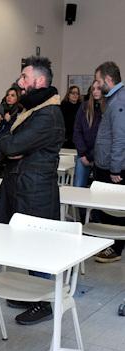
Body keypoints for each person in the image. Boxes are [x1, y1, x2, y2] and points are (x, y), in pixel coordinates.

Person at [0, 55, 64, 325]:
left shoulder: (48, 115)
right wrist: (12, 146)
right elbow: (6, 142)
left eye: (25, 77)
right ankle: (32, 294)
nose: (20, 82)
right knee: (27, 247)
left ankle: (43, 302)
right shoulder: (31, 110)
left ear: (40, 80)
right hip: (22, 185)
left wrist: (13, 147)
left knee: (39, 247)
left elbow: (10, 146)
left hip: (35, 189)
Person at [92, 61, 125, 263]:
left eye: (98, 80)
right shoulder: (114, 99)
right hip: (106, 164)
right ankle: (110, 245)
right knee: (108, 210)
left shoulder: (119, 102)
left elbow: (120, 138)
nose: (96, 85)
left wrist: (114, 168)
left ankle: (115, 248)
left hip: (113, 168)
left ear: (108, 80)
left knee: (114, 211)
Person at [73, 81, 105, 189]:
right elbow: (77, 131)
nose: (95, 91)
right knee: (78, 187)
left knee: (100, 190)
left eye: (98, 88)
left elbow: (104, 137)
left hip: (101, 156)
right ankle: (78, 207)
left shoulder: (109, 108)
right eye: (93, 89)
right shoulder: (84, 106)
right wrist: (83, 154)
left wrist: (90, 155)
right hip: (83, 155)